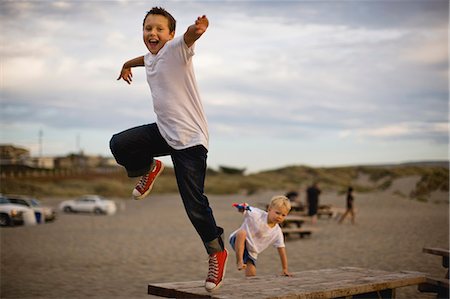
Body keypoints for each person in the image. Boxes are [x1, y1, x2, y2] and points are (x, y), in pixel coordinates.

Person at [110, 7, 227, 292]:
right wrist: (127, 63)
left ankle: (216, 252)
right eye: (148, 28)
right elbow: (146, 60)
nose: (153, 33)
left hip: (190, 141)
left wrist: (195, 32)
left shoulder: (177, 49)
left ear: (170, 34)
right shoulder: (151, 56)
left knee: (194, 204)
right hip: (164, 132)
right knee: (119, 144)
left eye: (159, 29)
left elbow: (188, 38)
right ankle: (149, 168)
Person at [229, 196, 293, 277]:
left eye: (283, 215)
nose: (279, 217)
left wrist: (285, 269)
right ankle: (239, 261)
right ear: (269, 209)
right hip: (237, 240)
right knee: (242, 233)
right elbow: (246, 208)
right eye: (277, 213)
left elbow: (281, 250)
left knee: (252, 274)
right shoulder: (257, 214)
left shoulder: (277, 232)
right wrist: (241, 207)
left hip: (251, 251)